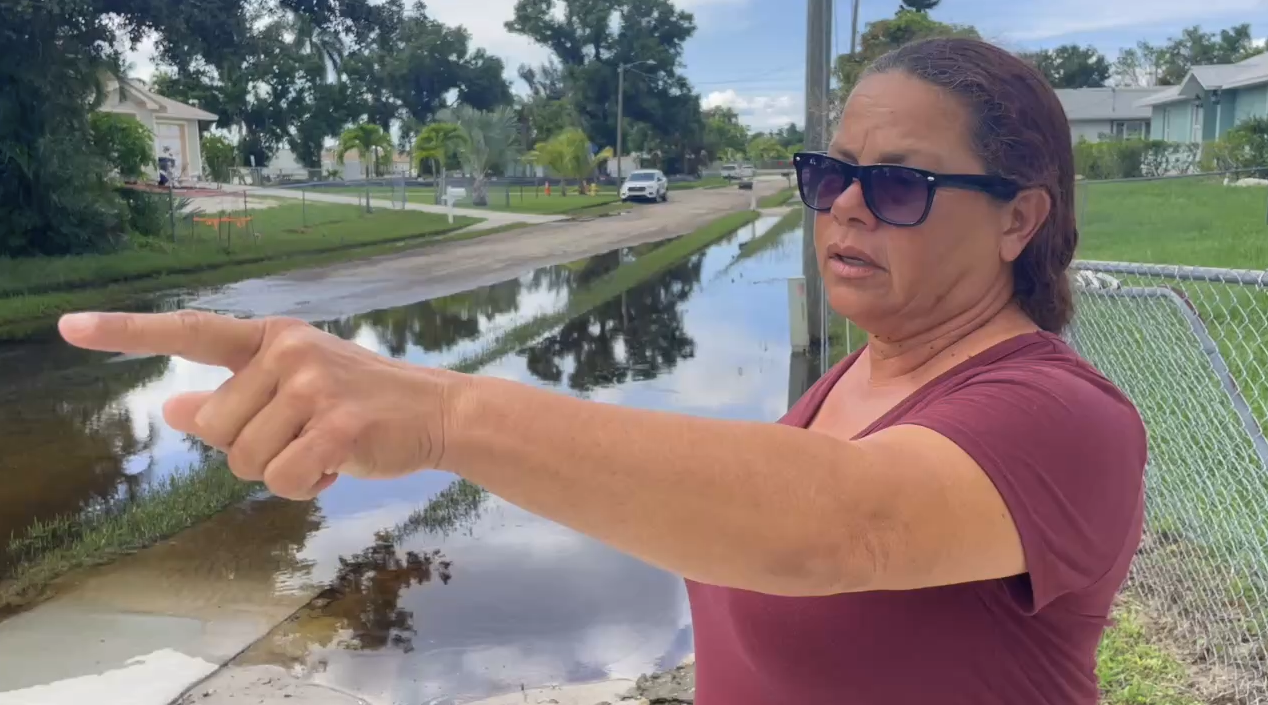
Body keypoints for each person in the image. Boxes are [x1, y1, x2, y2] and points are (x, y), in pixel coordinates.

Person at [56, 37, 1147, 705]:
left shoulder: (1057, 416)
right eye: (829, 173)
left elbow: (838, 530)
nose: (848, 205)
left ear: (1018, 217)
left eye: (899, 182)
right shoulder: (855, 382)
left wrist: (442, 414)